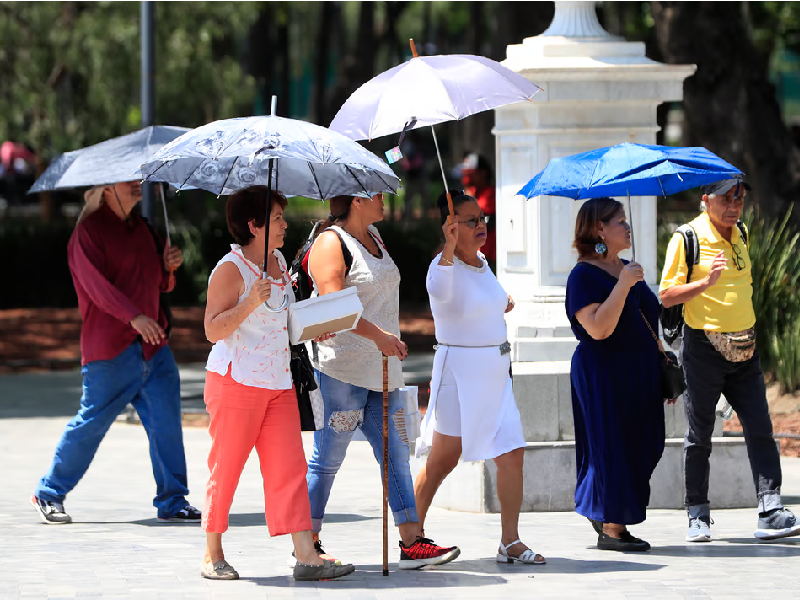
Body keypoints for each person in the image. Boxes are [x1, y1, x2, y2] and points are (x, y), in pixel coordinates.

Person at [200, 186, 355, 581]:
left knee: (290, 469)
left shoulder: (280, 261)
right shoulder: (229, 270)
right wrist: (249, 301)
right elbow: (213, 330)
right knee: (227, 467)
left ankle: (307, 556)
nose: (285, 224)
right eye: (277, 218)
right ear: (253, 226)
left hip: (279, 382)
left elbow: (283, 320)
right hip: (236, 383)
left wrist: (312, 329)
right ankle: (212, 554)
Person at [305, 193, 460, 569]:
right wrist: (380, 337)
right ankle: (306, 542)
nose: (384, 198)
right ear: (357, 200)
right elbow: (333, 305)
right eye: (375, 193)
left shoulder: (375, 236)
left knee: (395, 455)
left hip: (383, 369)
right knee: (328, 458)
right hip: (341, 370)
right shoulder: (331, 242)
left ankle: (412, 542)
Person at [31, 181, 199, 525]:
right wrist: (132, 316)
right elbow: (96, 288)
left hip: (155, 350)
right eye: (129, 181)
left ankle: (173, 500)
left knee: (167, 425)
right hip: (109, 351)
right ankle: (48, 492)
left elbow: (158, 284)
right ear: (107, 188)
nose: (139, 186)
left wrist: (168, 266)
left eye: (140, 180)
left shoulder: (143, 229)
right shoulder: (86, 234)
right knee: (89, 425)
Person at [660, 178, 800, 542]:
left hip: (746, 348)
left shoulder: (743, 233)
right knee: (700, 434)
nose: (734, 206)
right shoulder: (686, 238)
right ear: (706, 200)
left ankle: (770, 509)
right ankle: (698, 514)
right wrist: (705, 283)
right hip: (703, 349)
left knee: (760, 428)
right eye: (726, 198)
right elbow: (667, 295)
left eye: (739, 198)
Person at [413, 191, 546, 565]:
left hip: (496, 375)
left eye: (482, 217)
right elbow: (438, 292)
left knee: (512, 452)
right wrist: (450, 247)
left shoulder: (483, 263)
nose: (480, 225)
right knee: (442, 461)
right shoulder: (442, 267)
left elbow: (486, 301)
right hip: (460, 377)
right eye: (470, 220)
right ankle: (412, 536)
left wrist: (500, 304)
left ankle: (510, 541)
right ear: (451, 226)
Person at [566, 197, 669, 552]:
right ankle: (612, 525)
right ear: (599, 230)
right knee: (613, 446)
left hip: (640, 373)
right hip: (603, 374)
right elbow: (597, 328)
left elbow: (647, 321)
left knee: (644, 443)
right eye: (619, 221)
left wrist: (662, 368)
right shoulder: (583, 275)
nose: (628, 227)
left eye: (626, 220)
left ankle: (610, 515)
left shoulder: (627, 268)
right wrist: (623, 284)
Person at [459, 153, 496, 269]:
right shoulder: (471, 192)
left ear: (483, 173)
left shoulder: (491, 193)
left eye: (471, 174)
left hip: (487, 254)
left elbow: (487, 222)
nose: (467, 178)